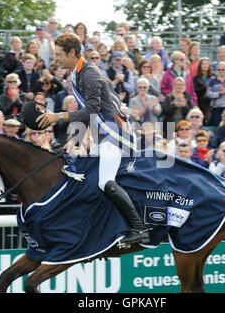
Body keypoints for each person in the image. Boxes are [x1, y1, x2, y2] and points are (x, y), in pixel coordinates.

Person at [35, 32, 151, 245]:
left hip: (116, 135)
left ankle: (139, 228)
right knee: (88, 179)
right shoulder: (76, 73)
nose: (56, 59)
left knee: (105, 181)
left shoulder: (89, 74)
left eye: (59, 54)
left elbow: (91, 111)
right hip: (102, 135)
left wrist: (57, 116)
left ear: (72, 52)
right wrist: (77, 138)